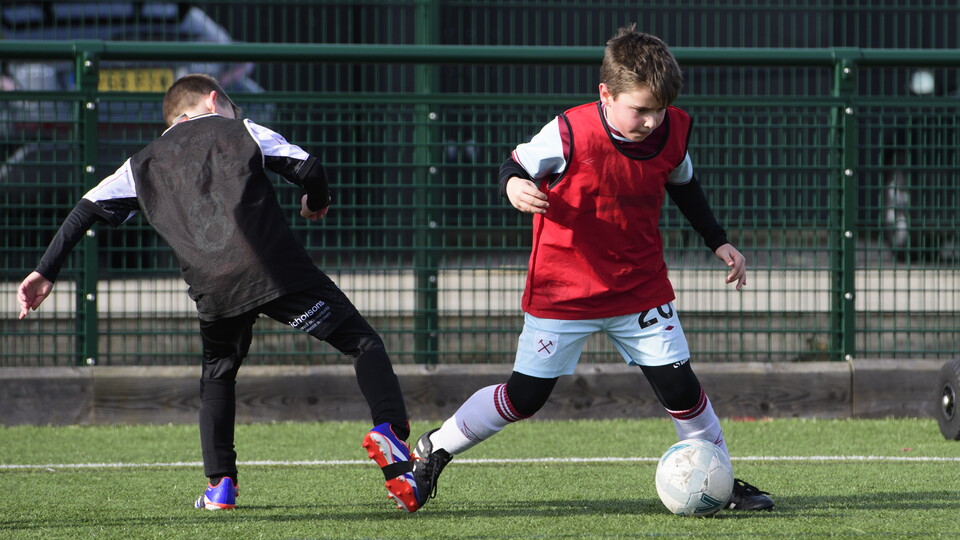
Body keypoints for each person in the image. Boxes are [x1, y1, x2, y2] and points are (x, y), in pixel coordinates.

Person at [16, 73, 422, 513]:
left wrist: (45, 271)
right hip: (277, 272)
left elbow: (84, 211)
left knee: (218, 374)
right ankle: (391, 435)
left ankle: (220, 485)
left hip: (213, 288)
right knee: (361, 342)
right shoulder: (242, 130)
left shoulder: (140, 165)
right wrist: (316, 201)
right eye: (232, 108)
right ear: (214, 102)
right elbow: (308, 166)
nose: (236, 115)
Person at [410, 27, 775, 512]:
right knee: (525, 398)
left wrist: (718, 241)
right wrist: (514, 188)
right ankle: (436, 447)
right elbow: (511, 166)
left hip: (639, 288)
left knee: (681, 387)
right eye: (639, 109)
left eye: (659, 109)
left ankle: (721, 484)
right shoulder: (568, 132)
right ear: (605, 94)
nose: (650, 121)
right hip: (565, 291)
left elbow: (684, 185)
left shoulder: (674, 130)